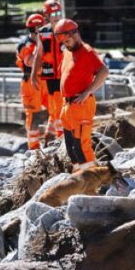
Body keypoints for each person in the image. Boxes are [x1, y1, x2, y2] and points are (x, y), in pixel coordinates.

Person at [55, 18, 109, 171]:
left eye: (67, 41)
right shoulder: (67, 51)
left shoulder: (87, 52)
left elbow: (104, 72)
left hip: (81, 105)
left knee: (81, 147)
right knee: (71, 148)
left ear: (75, 34)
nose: (66, 44)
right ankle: (79, 178)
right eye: (63, 43)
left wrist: (87, 92)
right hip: (67, 106)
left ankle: (91, 179)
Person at [17, 14, 48, 150]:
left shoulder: (46, 40)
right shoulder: (25, 45)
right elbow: (29, 61)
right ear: (36, 28)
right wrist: (40, 49)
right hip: (30, 81)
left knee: (55, 109)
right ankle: (34, 147)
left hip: (46, 79)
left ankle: (52, 137)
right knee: (33, 115)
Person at [40, 0, 65, 137]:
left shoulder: (67, 29)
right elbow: (39, 54)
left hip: (64, 74)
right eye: (53, 15)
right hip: (50, 77)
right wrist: (33, 75)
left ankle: (62, 134)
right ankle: (58, 135)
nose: (57, 17)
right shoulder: (43, 33)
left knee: (64, 105)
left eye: (58, 13)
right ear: (47, 16)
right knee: (55, 107)